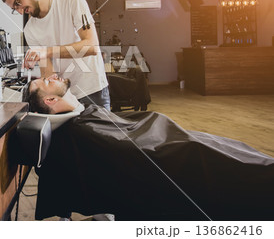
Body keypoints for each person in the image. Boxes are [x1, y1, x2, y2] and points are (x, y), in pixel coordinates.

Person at [22, 76, 274, 221]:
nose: (53, 75)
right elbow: (138, 153)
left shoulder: (81, 119)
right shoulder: (79, 130)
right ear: (51, 100)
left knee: (218, 144)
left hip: (165, 138)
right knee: (204, 149)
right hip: (171, 149)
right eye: (46, 80)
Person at [1, 0, 110, 110]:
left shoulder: (72, 1)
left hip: (92, 89)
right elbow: (48, 71)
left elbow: (92, 46)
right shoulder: (30, 30)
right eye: (14, 9)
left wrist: (46, 51)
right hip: (64, 97)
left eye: (18, 3)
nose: (20, 11)